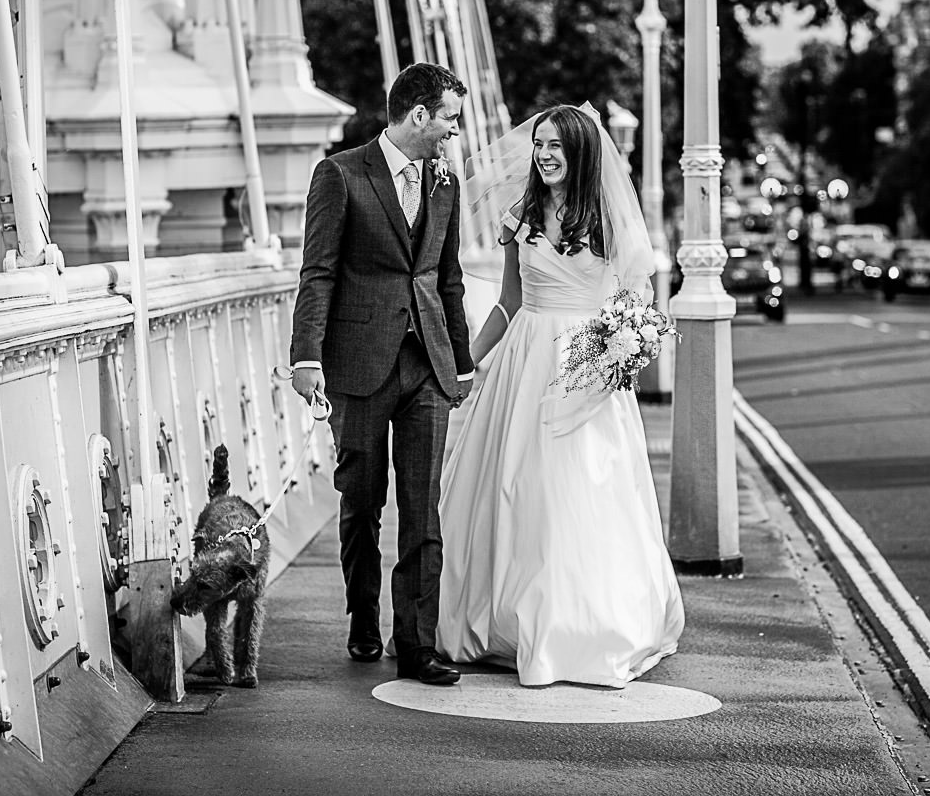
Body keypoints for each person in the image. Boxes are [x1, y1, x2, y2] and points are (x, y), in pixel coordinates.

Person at [436, 103, 685, 688]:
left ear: (580, 151)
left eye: (556, 145)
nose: (544, 154)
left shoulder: (610, 220)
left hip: (585, 369)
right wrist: (466, 361)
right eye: (539, 144)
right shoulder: (519, 215)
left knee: (573, 493)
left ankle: (573, 629)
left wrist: (613, 354)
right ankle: (507, 623)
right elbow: (508, 302)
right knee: (510, 488)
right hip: (523, 363)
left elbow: (636, 307)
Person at [289, 62, 476, 687]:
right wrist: (306, 357)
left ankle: (417, 644)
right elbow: (318, 271)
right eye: (448, 119)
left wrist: (463, 360)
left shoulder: (446, 183)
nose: (454, 132)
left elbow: (446, 277)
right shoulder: (339, 175)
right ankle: (363, 619)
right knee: (362, 502)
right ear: (418, 115)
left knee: (423, 509)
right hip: (357, 363)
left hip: (427, 364)